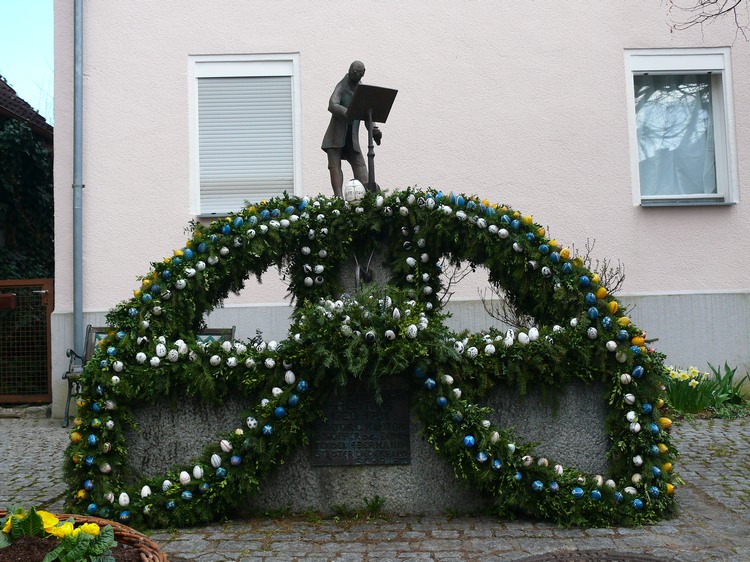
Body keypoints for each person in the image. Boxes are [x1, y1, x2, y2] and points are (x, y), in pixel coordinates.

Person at [321, 61, 381, 198]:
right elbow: (332, 104)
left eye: (360, 74)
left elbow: (367, 113)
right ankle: (338, 198)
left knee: (360, 165)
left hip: (351, 138)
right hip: (335, 136)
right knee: (334, 165)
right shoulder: (342, 86)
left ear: (363, 73)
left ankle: (368, 197)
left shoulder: (361, 90)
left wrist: (374, 130)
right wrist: (348, 113)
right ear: (350, 71)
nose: (357, 76)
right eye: (355, 73)